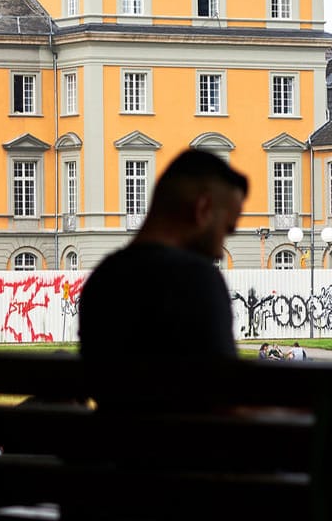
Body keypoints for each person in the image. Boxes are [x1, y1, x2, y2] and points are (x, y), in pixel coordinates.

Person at [78, 149, 248, 367]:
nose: (220, 252)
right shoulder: (196, 280)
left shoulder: (103, 279)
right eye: (226, 228)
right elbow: (225, 392)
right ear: (203, 209)